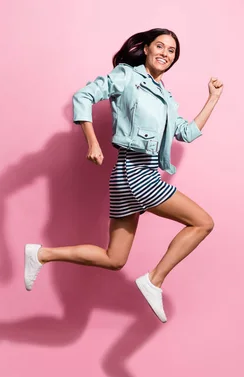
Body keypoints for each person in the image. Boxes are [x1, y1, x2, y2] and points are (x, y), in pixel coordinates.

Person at [24, 28, 223, 323]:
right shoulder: (127, 76)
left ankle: (41, 254)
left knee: (114, 259)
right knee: (203, 222)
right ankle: (154, 280)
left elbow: (186, 133)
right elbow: (83, 96)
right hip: (135, 172)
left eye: (171, 51)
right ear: (145, 48)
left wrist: (213, 99)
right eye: (160, 46)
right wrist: (92, 141)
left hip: (129, 176)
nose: (165, 54)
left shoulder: (165, 97)